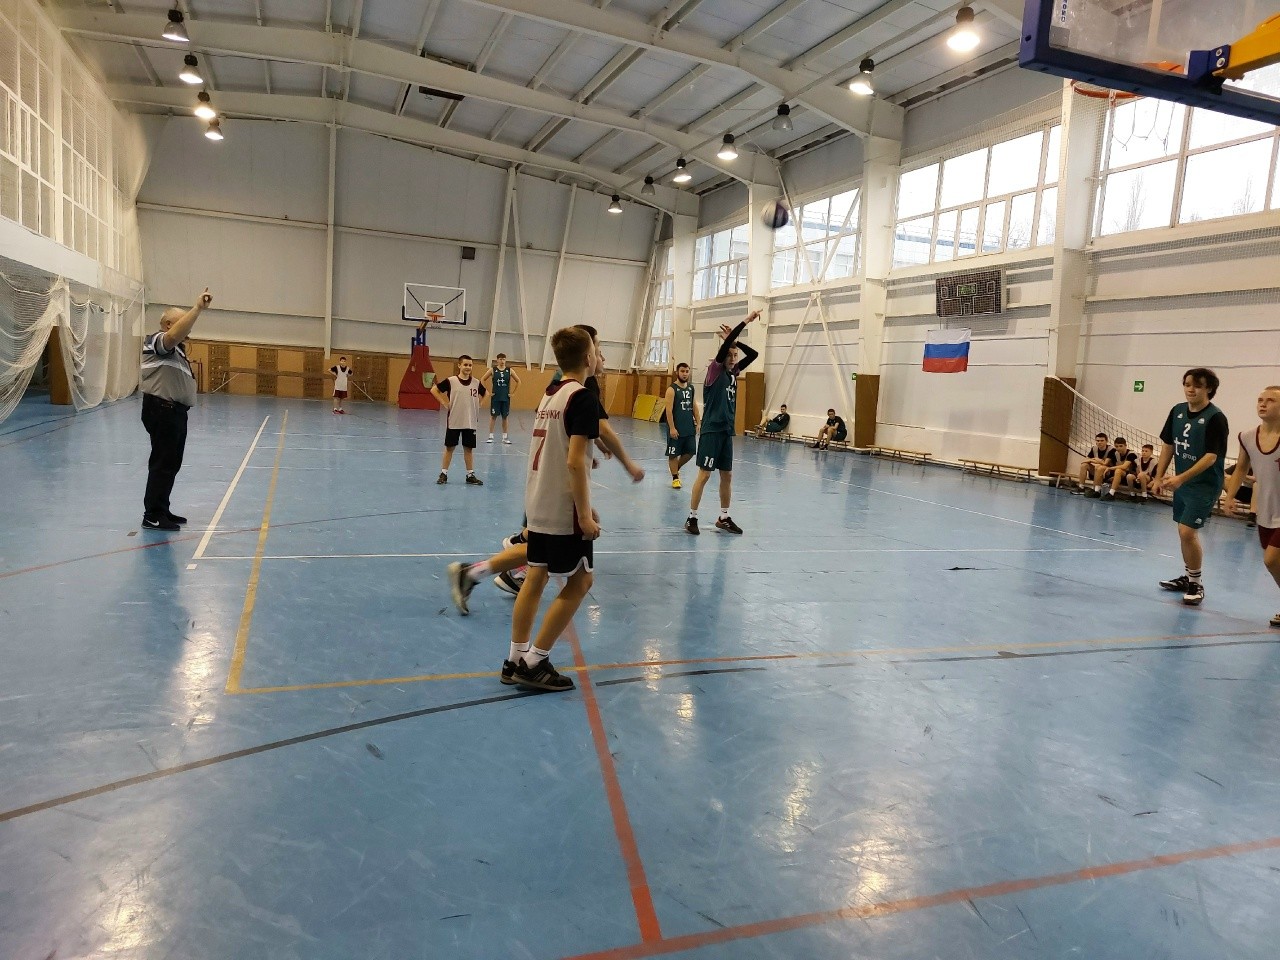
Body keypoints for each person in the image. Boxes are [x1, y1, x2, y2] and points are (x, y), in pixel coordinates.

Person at [505, 326, 602, 691]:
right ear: (589, 358)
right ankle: (535, 661)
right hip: (563, 508)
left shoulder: (551, 393)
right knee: (582, 580)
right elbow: (574, 461)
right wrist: (585, 515)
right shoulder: (583, 398)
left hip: (538, 500)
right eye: (597, 350)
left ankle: (515, 658)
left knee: (536, 575)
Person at [1153, 368, 1229, 606]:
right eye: (1187, 384)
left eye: (1197, 385)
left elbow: (1211, 457)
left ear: (1209, 389)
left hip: (1204, 485)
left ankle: (1196, 584)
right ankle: (1188, 578)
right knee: (1183, 532)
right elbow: (1168, 445)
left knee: (1187, 532)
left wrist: (1181, 478)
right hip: (1183, 484)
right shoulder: (1177, 411)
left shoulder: (1216, 418)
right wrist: (1159, 476)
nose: (1190, 389)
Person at [140, 288, 210, 531]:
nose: (188, 328)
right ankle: (152, 515)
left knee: (171, 463)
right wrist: (197, 309)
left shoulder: (176, 349)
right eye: (183, 322)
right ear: (168, 324)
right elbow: (172, 337)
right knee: (162, 463)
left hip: (174, 412)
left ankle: (162, 509)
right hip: (162, 409)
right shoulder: (158, 340)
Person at [686, 309, 760, 536]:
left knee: (727, 475)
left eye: (735, 355)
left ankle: (724, 517)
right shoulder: (715, 370)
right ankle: (692, 517)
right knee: (705, 474)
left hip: (727, 431)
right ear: (721, 356)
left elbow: (754, 354)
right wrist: (745, 321)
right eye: (729, 355)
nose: (733, 358)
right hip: (712, 429)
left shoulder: (733, 373)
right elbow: (726, 346)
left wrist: (737, 343)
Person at [1223, 386, 1280, 626]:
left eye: (1270, 400)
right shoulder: (1247, 437)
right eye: (1260, 400)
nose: (1263, 404)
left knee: (1271, 559)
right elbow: (1240, 469)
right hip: (1267, 511)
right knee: (1274, 562)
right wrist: (1230, 496)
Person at [430, 355, 486, 485]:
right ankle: (443, 473)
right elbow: (434, 390)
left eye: (470, 365)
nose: (468, 367)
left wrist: (480, 404)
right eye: (465, 365)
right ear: (459, 365)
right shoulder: (451, 381)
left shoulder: (476, 383)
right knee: (449, 448)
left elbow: (486, 393)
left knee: (469, 449)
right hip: (454, 421)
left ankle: (470, 475)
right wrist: (444, 402)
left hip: (470, 422)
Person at [663, 362, 699, 489]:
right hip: (676, 427)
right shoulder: (671, 389)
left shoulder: (691, 388)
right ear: (677, 372)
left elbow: (694, 406)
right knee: (673, 453)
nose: (685, 374)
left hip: (688, 426)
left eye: (687, 371)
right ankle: (675, 478)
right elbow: (668, 410)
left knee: (690, 451)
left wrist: (699, 422)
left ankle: (675, 467)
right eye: (682, 371)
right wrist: (672, 428)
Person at [482, 353, 521, 444]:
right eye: (500, 359)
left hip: (505, 398)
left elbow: (518, 381)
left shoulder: (509, 370)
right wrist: (487, 391)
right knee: (493, 416)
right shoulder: (493, 370)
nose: (502, 361)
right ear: (497, 360)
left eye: (503, 359)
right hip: (495, 397)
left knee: (505, 417)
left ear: (505, 360)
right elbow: (483, 379)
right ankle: (490, 436)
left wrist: (513, 393)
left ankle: (505, 437)